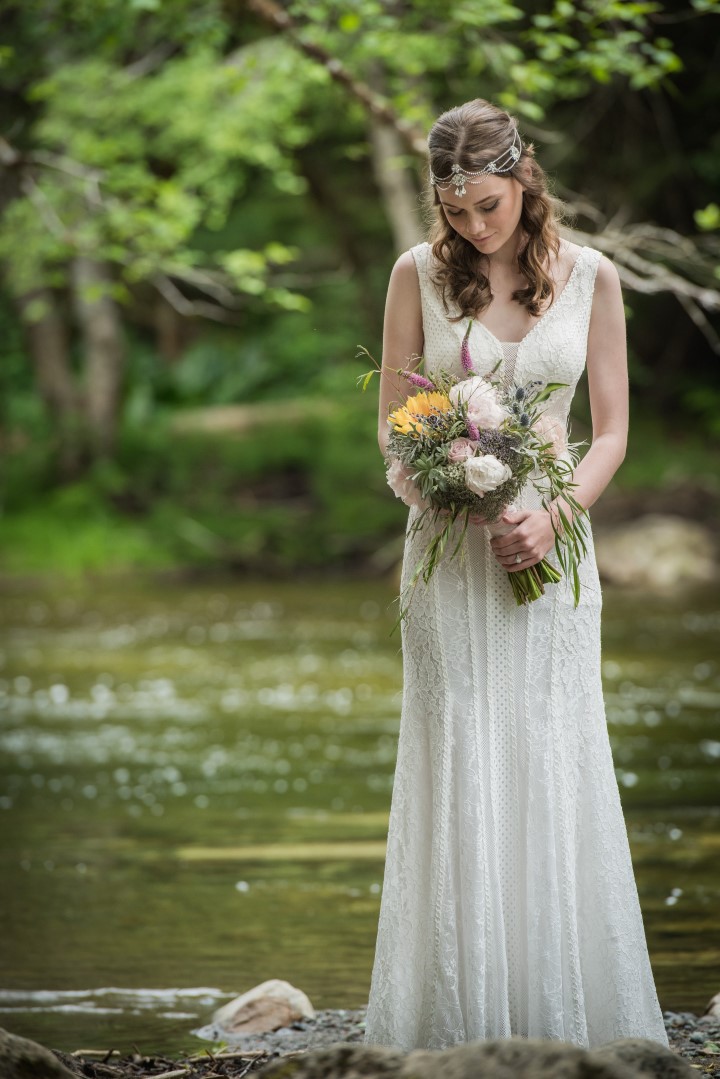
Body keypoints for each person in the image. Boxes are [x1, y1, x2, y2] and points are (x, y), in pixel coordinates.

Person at [363, 99, 668, 1052]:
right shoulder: (416, 274)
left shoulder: (593, 278)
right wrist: (437, 481)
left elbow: (611, 431)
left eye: (488, 204)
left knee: (550, 752)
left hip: (555, 552)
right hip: (450, 557)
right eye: (455, 209)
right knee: (460, 752)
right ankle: (456, 1016)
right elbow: (392, 425)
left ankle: (562, 1011)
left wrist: (553, 512)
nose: (473, 225)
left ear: (523, 176)